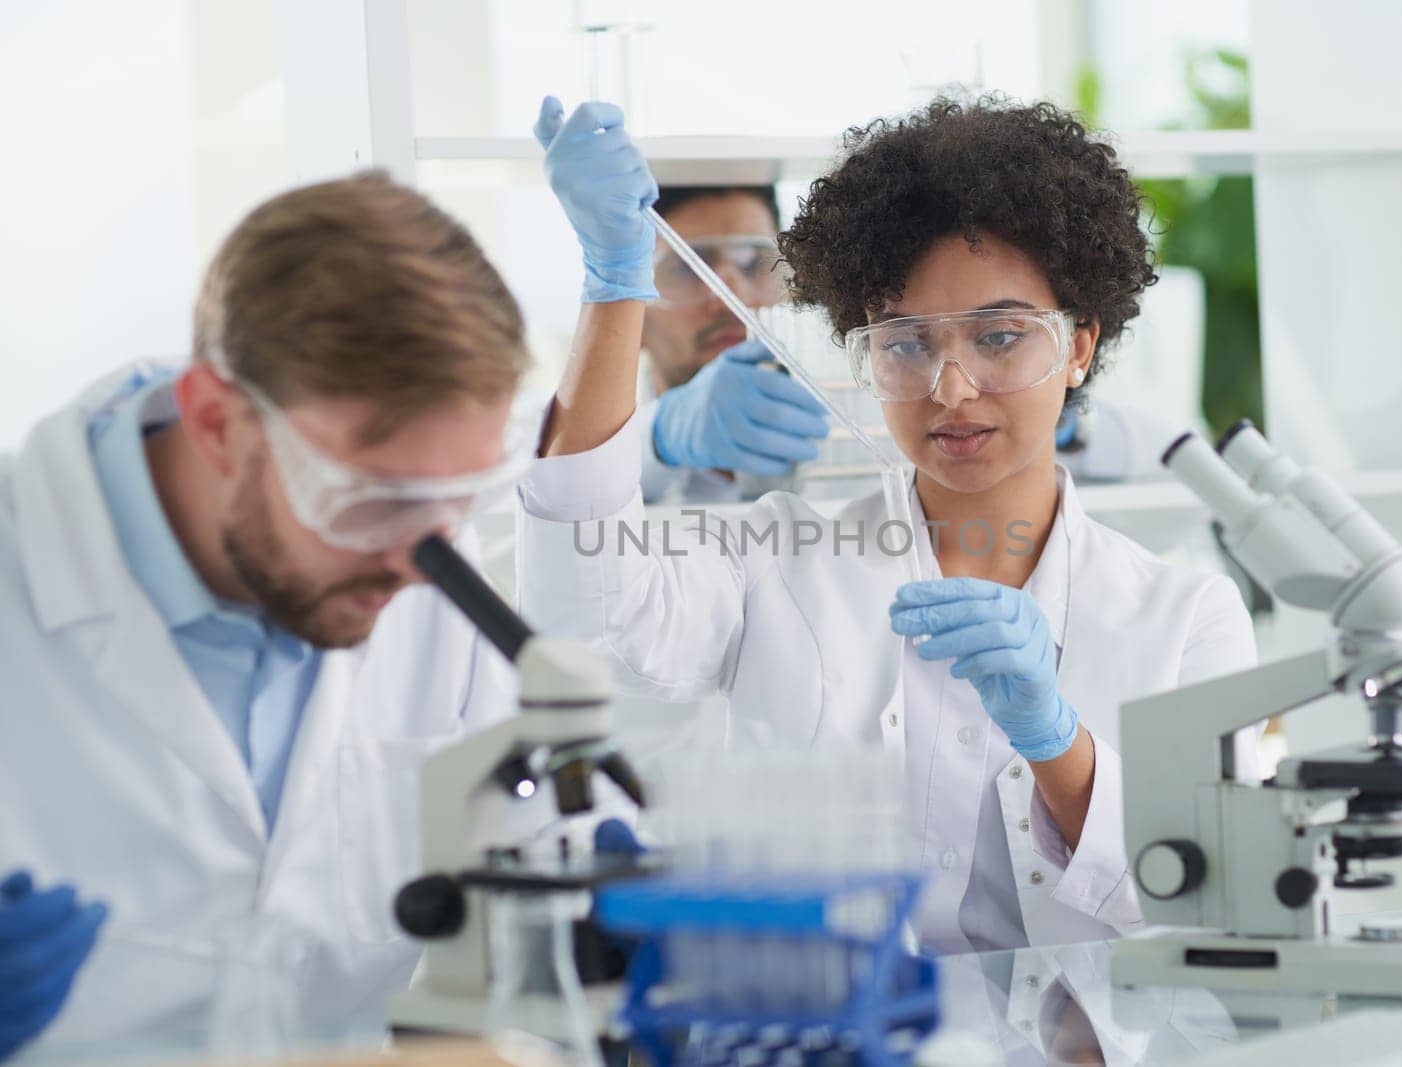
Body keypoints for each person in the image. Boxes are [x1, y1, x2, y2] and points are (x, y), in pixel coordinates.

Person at [517, 95, 1258, 954]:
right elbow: (582, 619)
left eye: (1000, 337)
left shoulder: (1186, 616)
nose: (950, 387)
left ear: (1081, 343)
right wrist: (615, 283)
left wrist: (1059, 743)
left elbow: (1211, 897)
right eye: (906, 343)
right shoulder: (777, 560)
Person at [0, 174, 565, 1057]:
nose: (416, 561)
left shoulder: (417, 572)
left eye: (456, 499)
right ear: (218, 421)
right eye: (371, 501)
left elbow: (523, 886)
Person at [637, 183, 830, 504]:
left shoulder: (845, 420)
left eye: (754, 262)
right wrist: (656, 437)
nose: (731, 300)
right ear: (635, 314)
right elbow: (549, 490)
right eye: (688, 267)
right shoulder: (559, 429)